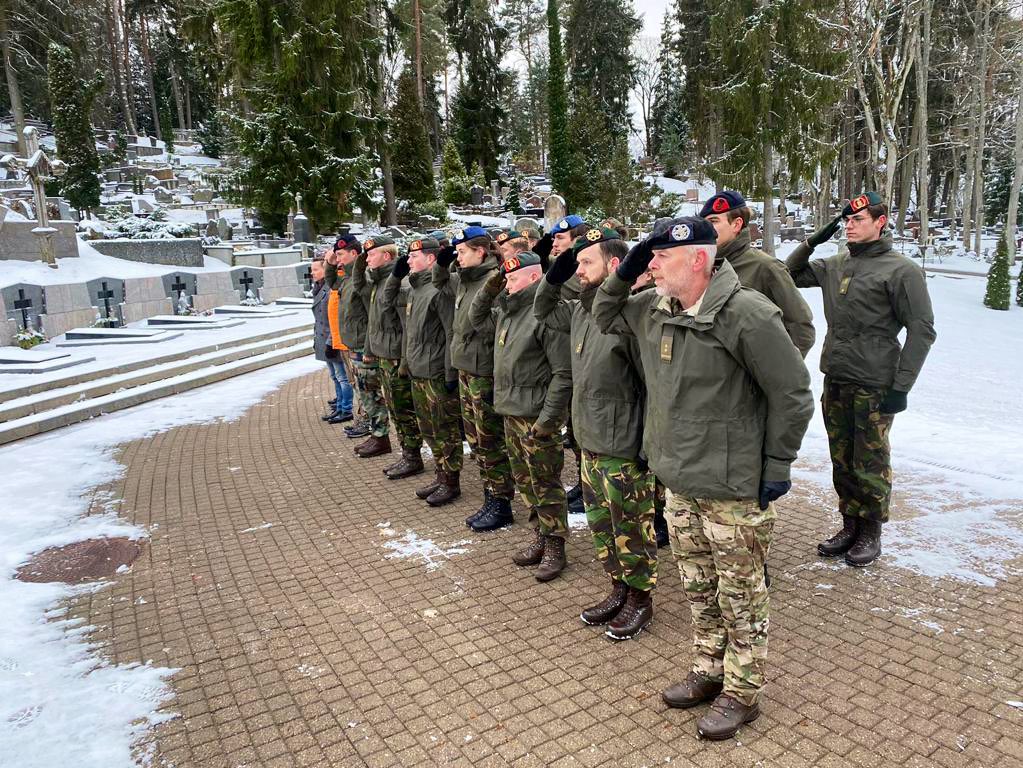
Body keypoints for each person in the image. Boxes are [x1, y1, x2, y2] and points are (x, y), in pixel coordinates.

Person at [592, 216, 814, 740]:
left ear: (698, 259)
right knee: (698, 587)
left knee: (741, 595)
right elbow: (602, 311)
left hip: (732, 485)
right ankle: (708, 670)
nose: (652, 264)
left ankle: (743, 692)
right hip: (679, 478)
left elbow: (793, 394)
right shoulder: (654, 308)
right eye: (649, 256)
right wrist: (625, 268)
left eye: (662, 257)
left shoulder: (747, 314)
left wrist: (777, 465)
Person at [788, 192, 936, 567]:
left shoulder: (901, 271)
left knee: (869, 459)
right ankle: (849, 524)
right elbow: (788, 273)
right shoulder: (836, 264)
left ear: (880, 221)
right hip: (836, 377)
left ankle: (871, 530)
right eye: (846, 221)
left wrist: (901, 387)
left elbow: (922, 331)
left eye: (858, 219)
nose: (850, 226)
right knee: (842, 458)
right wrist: (811, 241)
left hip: (875, 382)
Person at [535, 226, 657, 640]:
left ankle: (640, 599)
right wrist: (556, 272)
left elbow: (654, 388)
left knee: (631, 528)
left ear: (615, 265)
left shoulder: (634, 313)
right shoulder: (582, 311)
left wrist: (646, 446)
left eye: (587, 262)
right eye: (577, 262)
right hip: (589, 440)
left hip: (624, 445)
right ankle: (618, 588)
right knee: (603, 525)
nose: (579, 269)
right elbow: (543, 307)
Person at [468, 250, 573, 581]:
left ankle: (556, 544)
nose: (506, 284)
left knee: (546, 483)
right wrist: (492, 284)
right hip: (511, 413)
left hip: (536, 417)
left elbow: (563, 374)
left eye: (512, 278)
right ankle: (540, 533)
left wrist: (549, 421)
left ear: (533, 278)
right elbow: (476, 318)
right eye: (505, 278)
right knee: (526, 482)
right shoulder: (509, 312)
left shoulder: (545, 315)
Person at [435, 226, 515, 530]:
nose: (458, 257)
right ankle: (490, 494)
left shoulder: (494, 281)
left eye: (463, 251)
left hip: (485, 372)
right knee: (476, 439)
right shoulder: (466, 281)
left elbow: (495, 331)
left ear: (481, 251)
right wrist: (443, 262)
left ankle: (501, 501)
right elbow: (440, 282)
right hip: (468, 369)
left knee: (490, 439)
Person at [386, 237, 462, 506]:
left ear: (430, 259)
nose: (408, 260)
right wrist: (406, 363)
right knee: (428, 428)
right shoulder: (415, 289)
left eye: (414, 256)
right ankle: (441, 475)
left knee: (444, 430)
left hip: (436, 373)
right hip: (418, 370)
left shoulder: (439, 291)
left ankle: (451, 481)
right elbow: (406, 328)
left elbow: (451, 331)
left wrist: (451, 374)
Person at [700, 191, 816, 357]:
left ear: (736, 224)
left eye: (713, 221)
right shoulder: (702, 267)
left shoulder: (766, 268)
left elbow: (802, 330)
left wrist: (774, 375)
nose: (705, 228)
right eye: (703, 222)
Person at [363, 235, 425, 472]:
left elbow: (406, 326)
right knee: (394, 408)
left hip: (396, 357)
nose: (367, 259)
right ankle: (407, 453)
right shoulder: (379, 281)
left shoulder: (401, 282)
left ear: (386, 256)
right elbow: (374, 321)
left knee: (403, 409)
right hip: (383, 355)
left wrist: (404, 361)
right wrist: (370, 349)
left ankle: (413, 456)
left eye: (371, 254)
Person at [331, 235, 370, 436]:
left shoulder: (362, 277)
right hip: (352, 342)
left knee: (366, 390)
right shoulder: (346, 277)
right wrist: (330, 263)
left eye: (340, 255)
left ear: (354, 254)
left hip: (362, 343)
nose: (337, 259)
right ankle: (363, 422)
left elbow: (371, 315)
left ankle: (369, 426)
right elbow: (332, 283)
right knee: (359, 387)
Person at [309, 254, 340, 416]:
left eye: (315, 269)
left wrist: (331, 341)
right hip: (324, 338)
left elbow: (334, 318)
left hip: (331, 338)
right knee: (334, 376)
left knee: (341, 377)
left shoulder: (329, 289)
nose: (312, 273)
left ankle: (344, 407)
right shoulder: (319, 288)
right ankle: (341, 401)